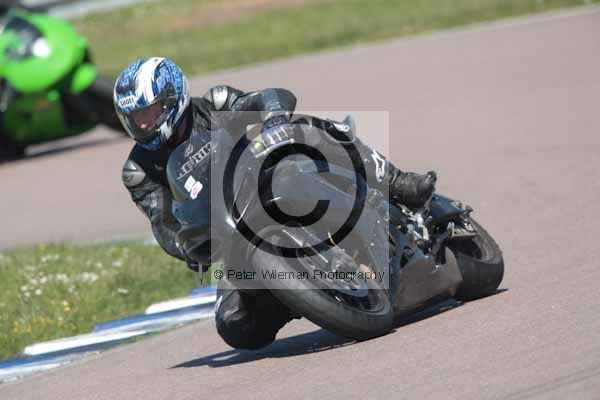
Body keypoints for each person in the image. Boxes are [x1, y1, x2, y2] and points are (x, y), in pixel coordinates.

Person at [115, 57, 437, 350]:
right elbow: (163, 224)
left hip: (270, 179)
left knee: (309, 129)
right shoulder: (138, 171)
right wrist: (186, 247)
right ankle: (296, 294)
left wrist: (273, 116)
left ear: (172, 100)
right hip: (230, 232)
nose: (142, 125)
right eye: (134, 118)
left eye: (148, 114)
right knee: (234, 325)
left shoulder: (215, 103)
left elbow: (270, 97)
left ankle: (397, 182)